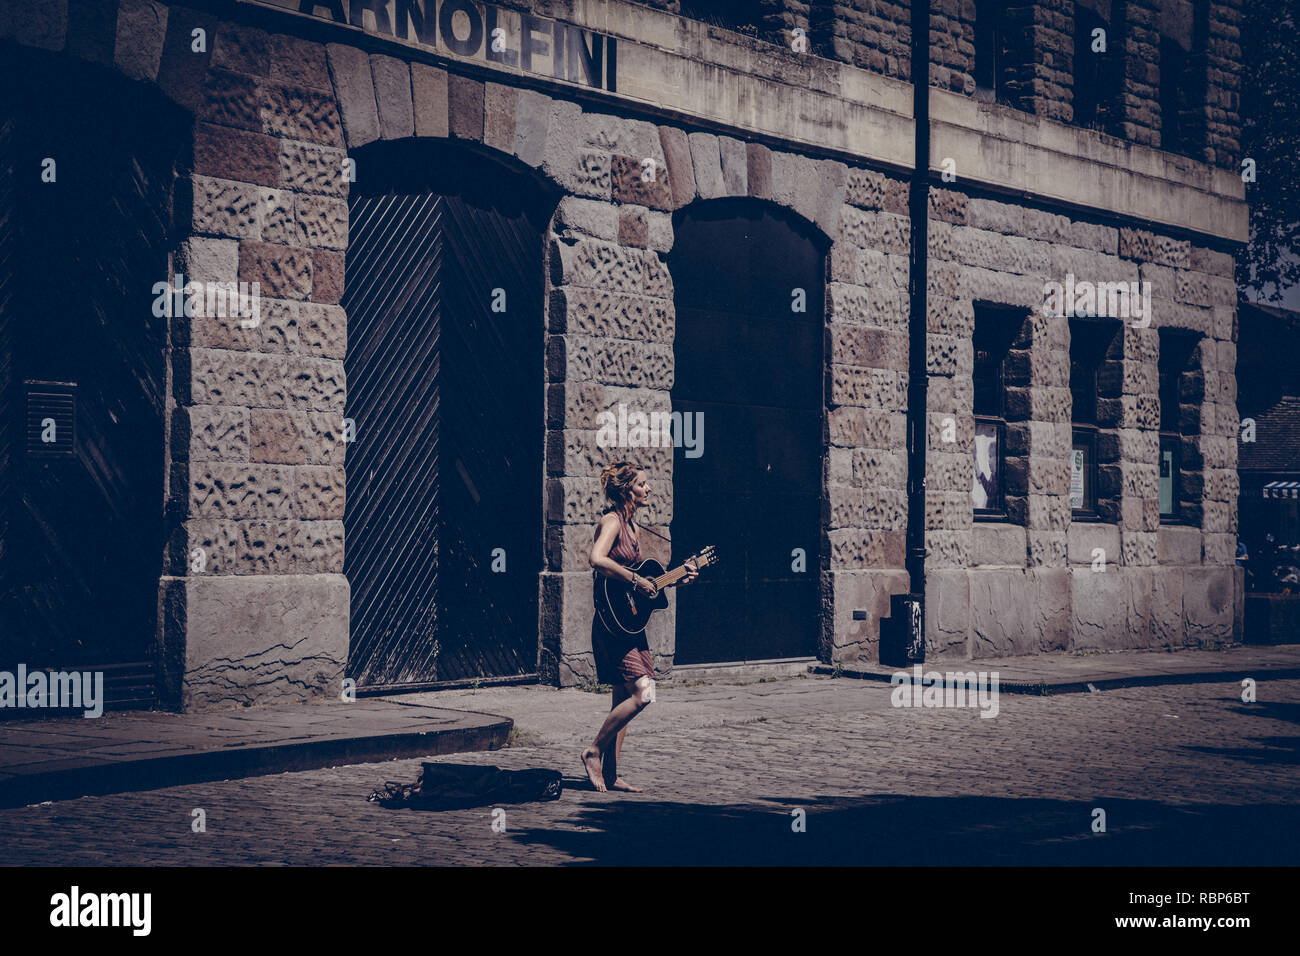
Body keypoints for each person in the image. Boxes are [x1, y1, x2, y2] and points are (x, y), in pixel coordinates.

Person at [580, 461, 697, 793]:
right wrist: (634, 577)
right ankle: (593, 751)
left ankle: (613, 774)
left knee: (622, 698)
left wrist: (679, 578)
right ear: (625, 489)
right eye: (643, 484)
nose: (649, 489)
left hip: (629, 624)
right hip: (612, 626)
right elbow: (597, 559)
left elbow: (646, 588)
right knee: (644, 693)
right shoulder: (612, 522)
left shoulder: (633, 527)